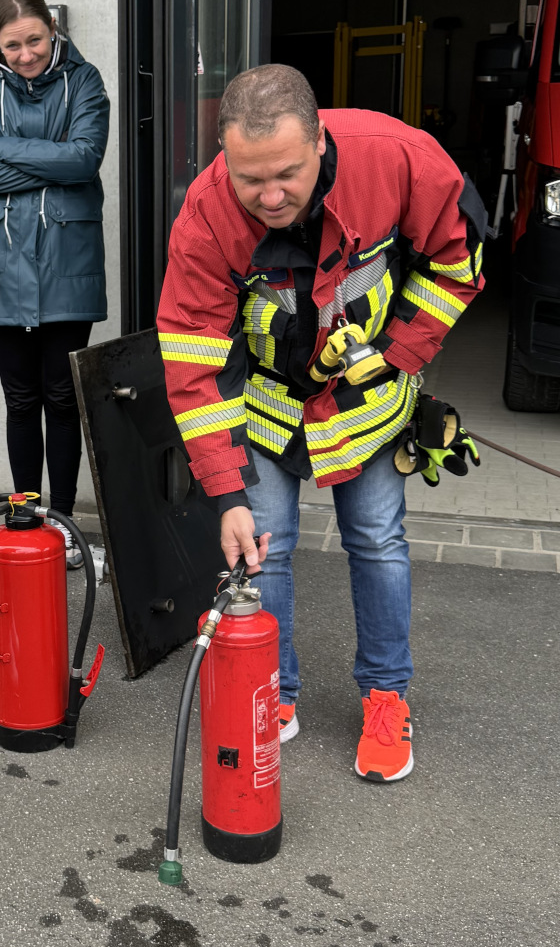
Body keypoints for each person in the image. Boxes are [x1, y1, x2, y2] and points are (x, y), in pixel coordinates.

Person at [157, 65, 486, 782]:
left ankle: (386, 696)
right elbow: (192, 357)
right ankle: (271, 694)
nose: (269, 197)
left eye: (286, 174)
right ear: (224, 158)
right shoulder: (207, 214)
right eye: (250, 179)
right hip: (272, 409)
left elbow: (459, 260)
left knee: (376, 540)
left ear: (319, 142)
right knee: (259, 549)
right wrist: (225, 491)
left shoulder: (397, 158)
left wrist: (397, 354)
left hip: (368, 401)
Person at [0, 0, 110, 569]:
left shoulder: (86, 81)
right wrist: (47, 160)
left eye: (35, 40)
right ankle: (25, 510)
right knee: (20, 400)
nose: (26, 54)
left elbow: (84, 158)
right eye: (12, 44)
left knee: (62, 400)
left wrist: (4, 146)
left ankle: (64, 522)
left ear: (52, 28)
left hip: (68, 262)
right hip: (1, 264)